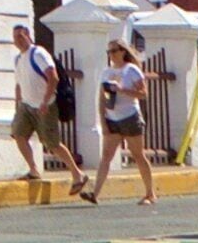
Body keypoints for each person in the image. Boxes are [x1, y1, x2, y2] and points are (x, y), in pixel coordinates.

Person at [82, 40, 158, 206]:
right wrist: (103, 121)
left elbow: (143, 93)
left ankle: (150, 193)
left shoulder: (131, 70)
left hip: (130, 116)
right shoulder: (106, 72)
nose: (111, 54)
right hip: (112, 118)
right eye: (109, 51)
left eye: (114, 51)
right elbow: (102, 98)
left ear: (123, 52)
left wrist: (122, 90)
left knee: (138, 155)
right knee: (106, 157)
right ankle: (95, 193)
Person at [9, 25, 84, 188]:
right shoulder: (18, 59)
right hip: (26, 105)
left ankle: (77, 173)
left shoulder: (38, 54)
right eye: (15, 38)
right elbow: (19, 83)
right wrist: (18, 104)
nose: (18, 41)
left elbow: (53, 77)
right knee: (18, 134)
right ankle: (33, 170)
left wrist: (45, 100)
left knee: (52, 143)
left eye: (21, 37)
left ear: (28, 36)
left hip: (45, 105)